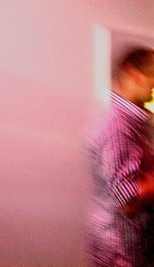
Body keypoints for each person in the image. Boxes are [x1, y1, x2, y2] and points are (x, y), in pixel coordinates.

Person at [85, 48, 154, 267]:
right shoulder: (118, 126)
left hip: (130, 243)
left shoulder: (133, 122)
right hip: (121, 249)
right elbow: (127, 199)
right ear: (133, 75)